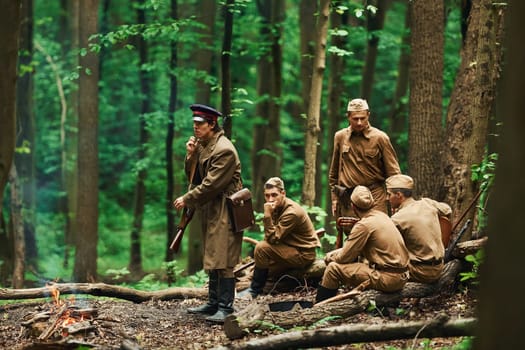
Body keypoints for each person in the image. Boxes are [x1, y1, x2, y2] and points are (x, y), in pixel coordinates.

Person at [173, 103, 243, 323]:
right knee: (213, 254)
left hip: (226, 207)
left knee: (224, 257)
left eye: (200, 124)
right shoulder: (204, 145)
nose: (195, 127)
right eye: (194, 123)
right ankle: (213, 303)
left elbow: (211, 185)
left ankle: (226, 308)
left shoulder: (224, 150)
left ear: (212, 124)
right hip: (212, 207)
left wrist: (187, 199)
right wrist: (191, 155)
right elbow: (193, 177)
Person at [315, 186, 409, 303]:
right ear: (372, 203)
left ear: (353, 206)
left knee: (333, 269)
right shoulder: (382, 216)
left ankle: (321, 308)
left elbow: (344, 257)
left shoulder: (363, 225)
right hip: (402, 275)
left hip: (388, 279)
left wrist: (329, 257)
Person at [237, 177, 321, 299]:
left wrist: (267, 216)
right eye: (267, 196)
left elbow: (272, 239)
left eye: (274, 195)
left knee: (261, 248)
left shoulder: (291, 212)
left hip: (303, 254)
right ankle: (260, 289)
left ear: (283, 193)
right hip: (289, 249)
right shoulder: (277, 207)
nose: (270, 199)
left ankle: (254, 291)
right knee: (266, 271)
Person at [328, 98, 401, 227]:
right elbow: (334, 172)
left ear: (368, 115)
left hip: (375, 197)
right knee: (352, 236)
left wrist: (395, 201)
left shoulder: (380, 138)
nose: (359, 122)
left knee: (376, 232)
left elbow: (394, 173)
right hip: (349, 198)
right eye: (355, 119)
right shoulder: (340, 137)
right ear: (348, 117)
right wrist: (334, 198)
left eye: (363, 118)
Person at [386, 174, 452, 283]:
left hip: (420, 272)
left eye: (389, 194)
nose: (387, 198)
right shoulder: (427, 203)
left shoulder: (398, 218)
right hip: (439, 267)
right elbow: (447, 210)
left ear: (398, 195)